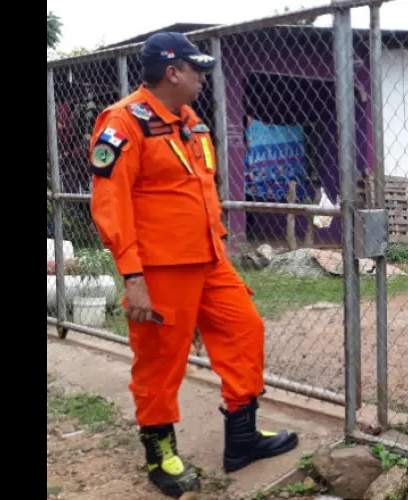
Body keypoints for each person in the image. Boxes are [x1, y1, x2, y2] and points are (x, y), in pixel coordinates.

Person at [88, 32, 298, 498]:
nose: (203, 77)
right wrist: (133, 277)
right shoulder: (123, 123)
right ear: (172, 72)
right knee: (161, 362)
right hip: (159, 269)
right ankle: (161, 453)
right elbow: (111, 204)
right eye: (196, 68)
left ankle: (242, 439)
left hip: (209, 258)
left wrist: (219, 249)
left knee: (246, 331)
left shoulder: (191, 122)